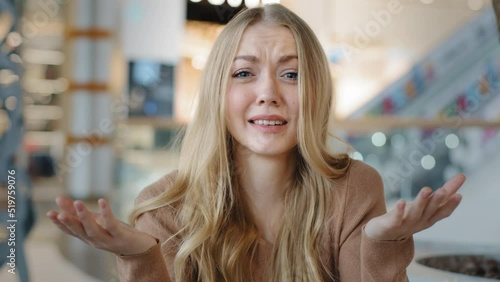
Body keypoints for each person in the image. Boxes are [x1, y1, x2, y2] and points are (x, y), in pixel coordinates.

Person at [47, 4, 465, 282]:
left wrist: (380, 242)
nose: (268, 93)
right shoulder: (165, 207)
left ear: (316, 91)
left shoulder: (355, 186)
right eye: (244, 73)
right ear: (218, 92)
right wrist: (142, 257)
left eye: (291, 74)